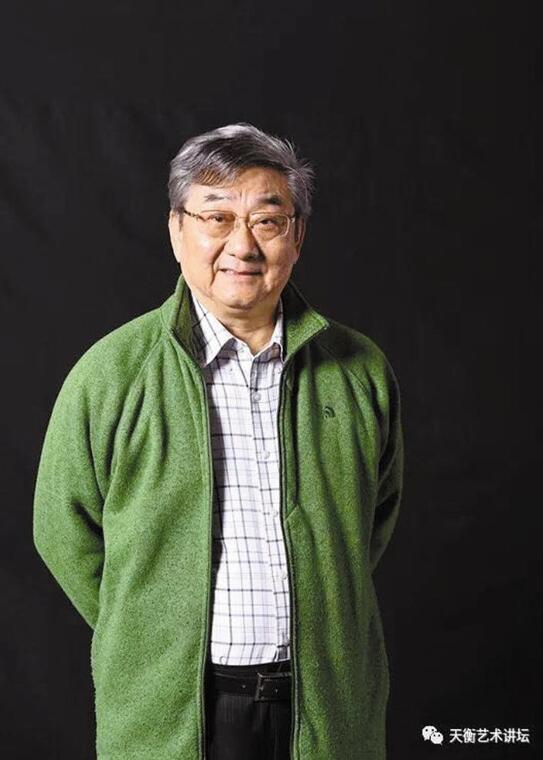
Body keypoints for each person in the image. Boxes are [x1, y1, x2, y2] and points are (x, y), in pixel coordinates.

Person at [33, 123, 404, 760]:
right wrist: (148, 630)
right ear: (177, 230)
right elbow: (61, 531)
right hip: (172, 709)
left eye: (267, 220)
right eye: (216, 217)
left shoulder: (358, 370)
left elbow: (372, 521)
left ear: (297, 235)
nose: (243, 245)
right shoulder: (112, 373)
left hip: (327, 702)